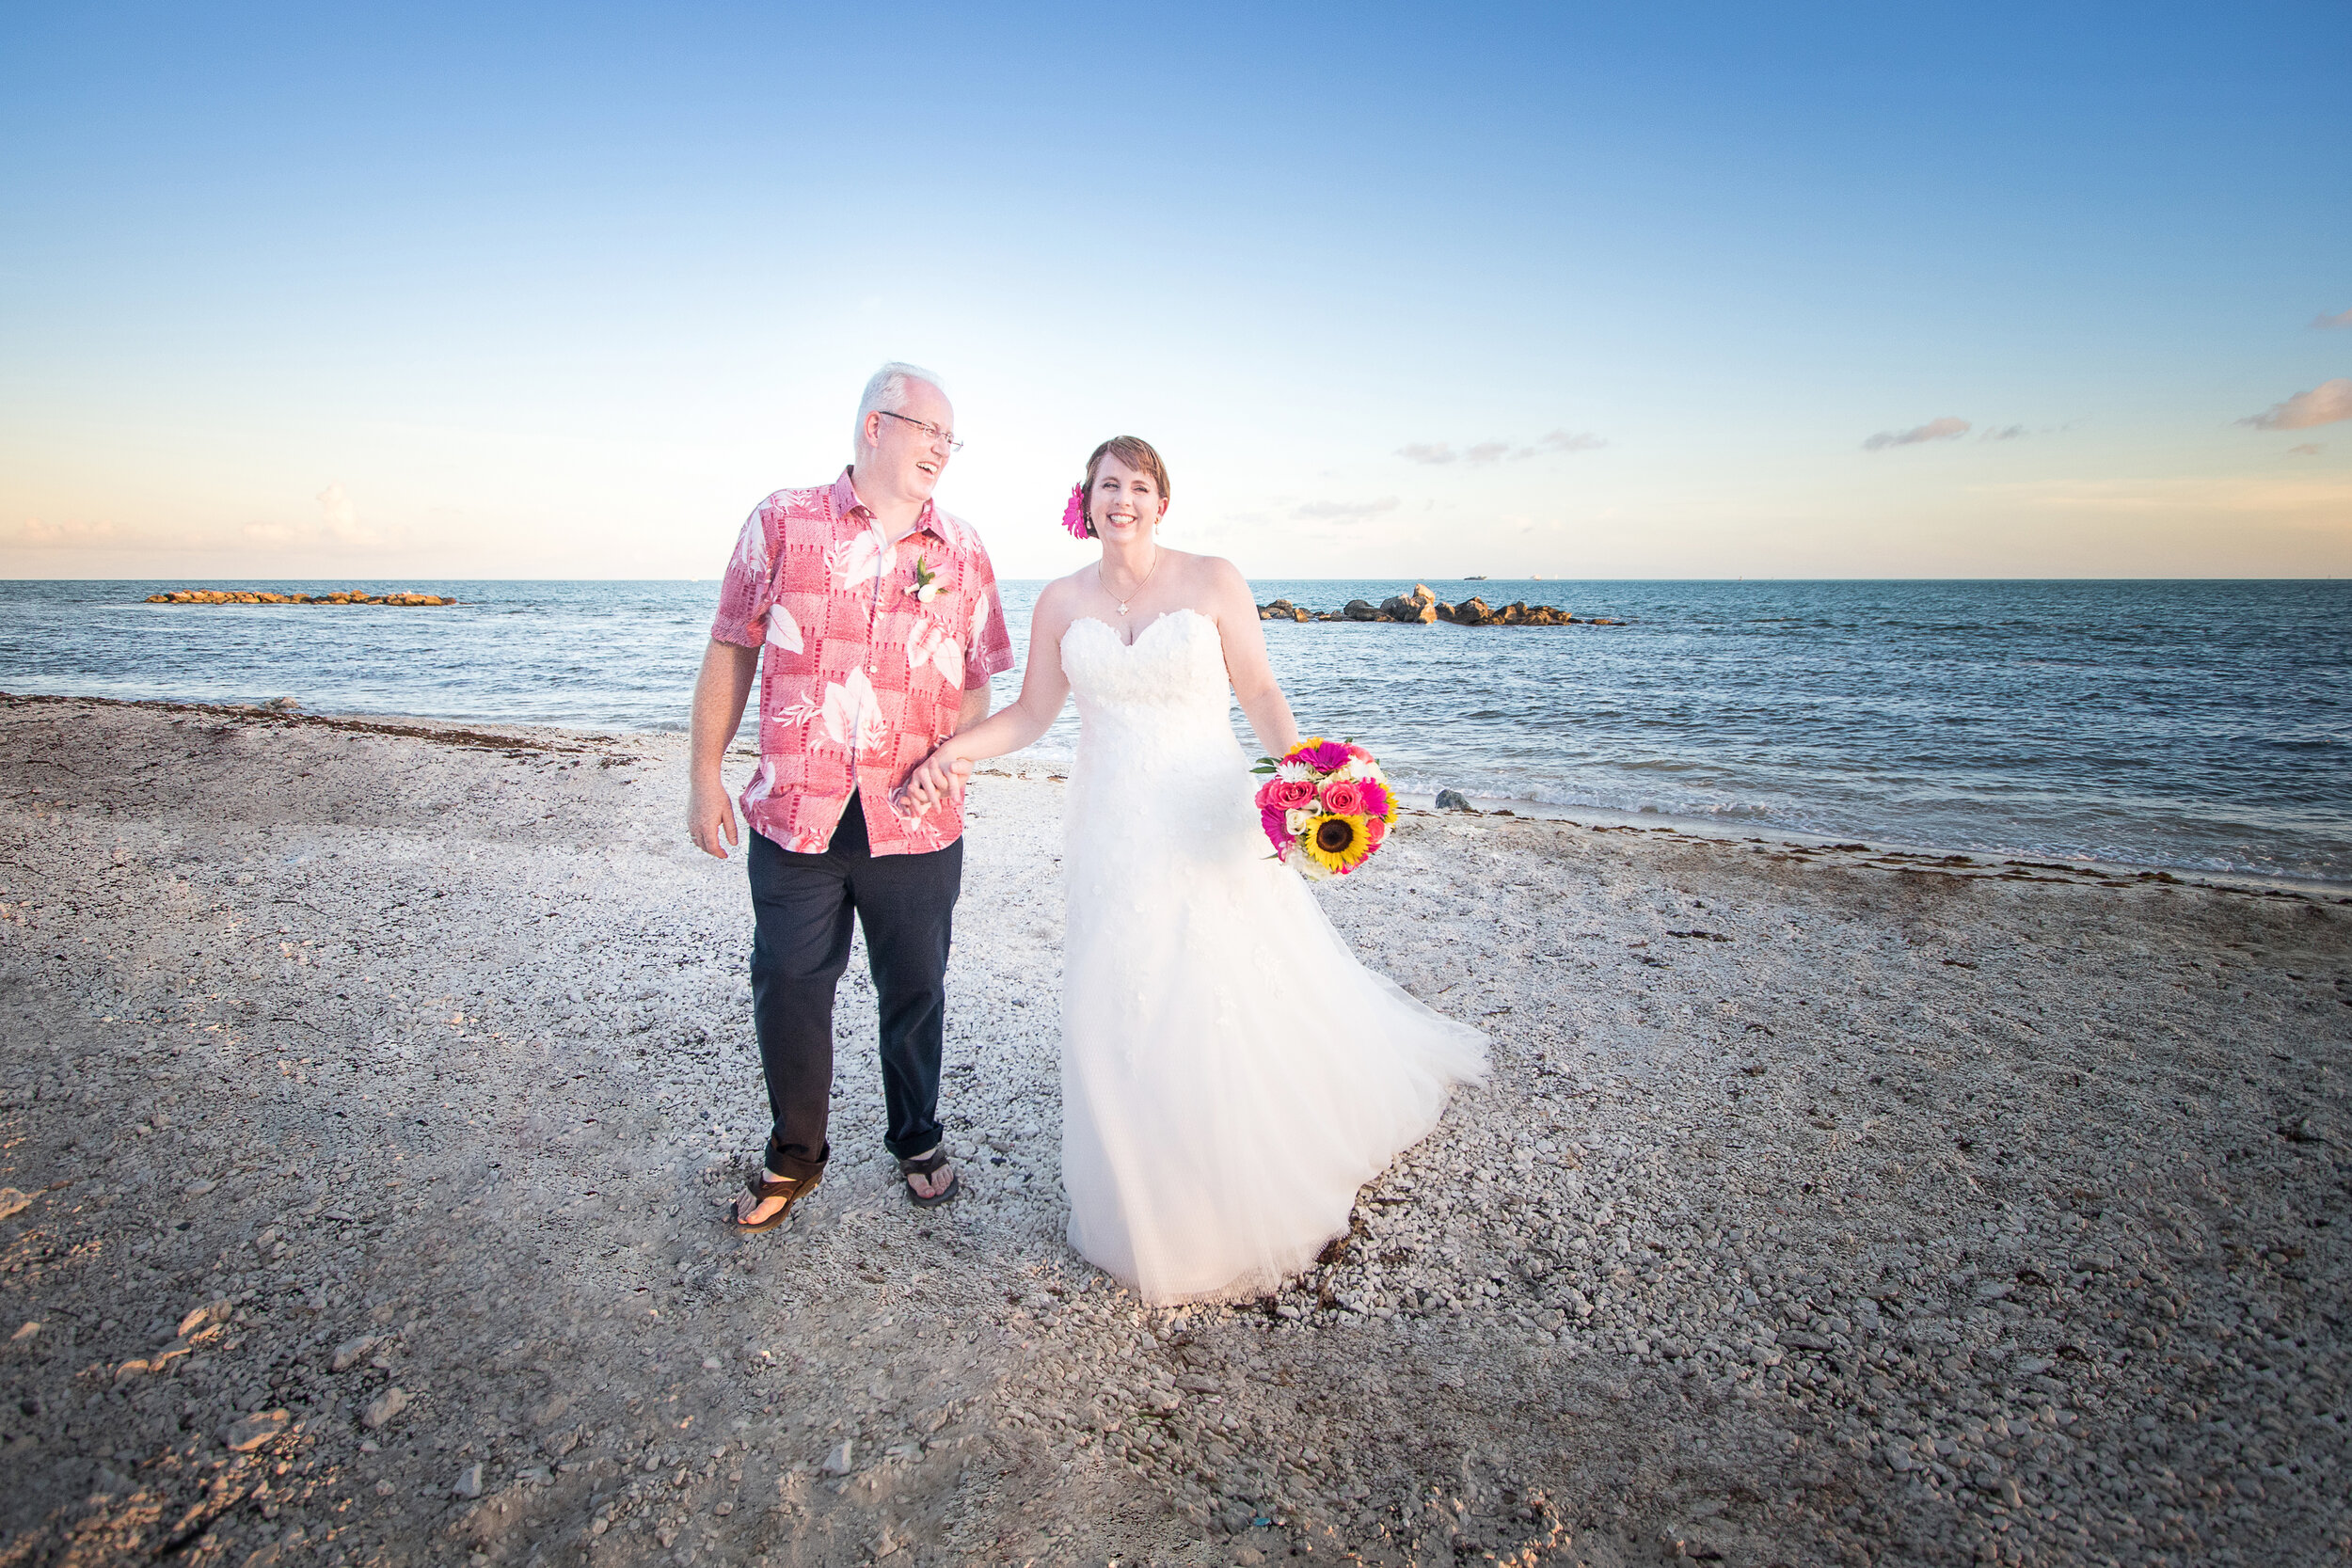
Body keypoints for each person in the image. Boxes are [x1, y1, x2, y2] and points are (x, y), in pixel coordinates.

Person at [903, 436, 1486, 1302]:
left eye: (1140, 486)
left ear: (1162, 503)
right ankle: (1145, 1189)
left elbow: (1259, 691)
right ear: (1086, 499)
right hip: (1111, 826)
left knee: (1221, 986)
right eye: (1109, 485)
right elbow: (1031, 713)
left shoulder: (1214, 580)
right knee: (1125, 993)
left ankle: (1234, 1176)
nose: (1124, 499)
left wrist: (1310, 782)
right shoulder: (1062, 602)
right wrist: (952, 752)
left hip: (1208, 814)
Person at [688, 362, 1012, 1228]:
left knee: (915, 987)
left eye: (952, 437)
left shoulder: (967, 550)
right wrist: (703, 774)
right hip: (798, 809)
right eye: (929, 430)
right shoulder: (782, 521)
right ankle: (796, 1152)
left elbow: (981, 680)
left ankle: (916, 1136)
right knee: (789, 981)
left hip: (917, 820)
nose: (943, 448)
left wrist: (955, 755)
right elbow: (730, 649)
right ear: (877, 426)